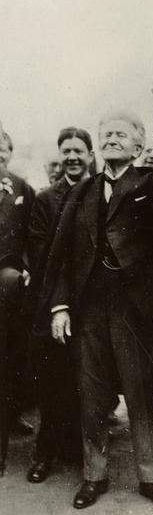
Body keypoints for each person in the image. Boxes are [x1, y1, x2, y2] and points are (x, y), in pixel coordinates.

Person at [39, 80, 153, 511]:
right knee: (90, 395)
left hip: (134, 310)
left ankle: (152, 479)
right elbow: (62, 257)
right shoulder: (82, 192)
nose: (111, 139)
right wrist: (59, 305)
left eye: (121, 135)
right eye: (105, 134)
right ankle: (94, 476)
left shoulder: (152, 184)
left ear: (138, 145)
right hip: (89, 308)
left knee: (140, 394)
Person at [26, 127, 95, 483]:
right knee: (51, 380)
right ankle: (45, 451)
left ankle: (78, 447)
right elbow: (41, 256)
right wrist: (58, 304)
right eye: (65, 150)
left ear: (90, 154)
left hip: (92, 305)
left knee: (87, 382)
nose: (71, 156)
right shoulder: (46, 199)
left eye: (78, 150)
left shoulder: (101, 192)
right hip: (53, 302)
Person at [0, 126, 35, 435]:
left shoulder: (22, 188)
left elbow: (31, 236)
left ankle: (10, 416)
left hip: (9, 287)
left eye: (3, 149)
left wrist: (26, 267)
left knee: (11, 352)